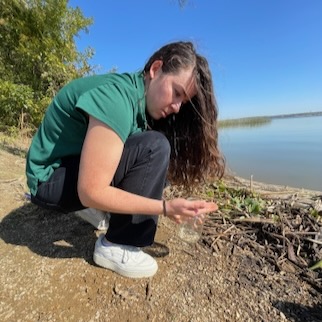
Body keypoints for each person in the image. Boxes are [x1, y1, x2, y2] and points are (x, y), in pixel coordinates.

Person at [26, 41, 225, 279]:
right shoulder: (117, 100)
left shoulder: (139, 98)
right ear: (155, 69)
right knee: (154, 147)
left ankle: (104, 213)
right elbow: (90, 190)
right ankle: (116, 245)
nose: (177, 107)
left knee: (159, 155)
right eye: (177, 92)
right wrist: (165, 208)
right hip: (47, 181)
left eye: (183, 101)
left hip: (71, 168)